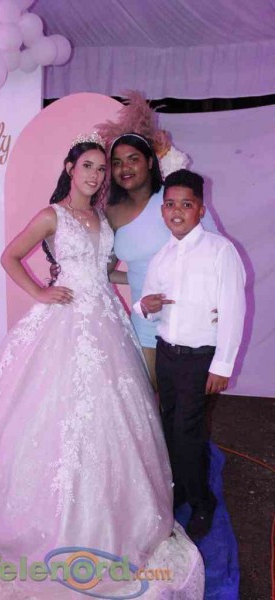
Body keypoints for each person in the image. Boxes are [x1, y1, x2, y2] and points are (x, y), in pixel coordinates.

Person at [0, 135, 204, 597]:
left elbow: (104, 271)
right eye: (88, 166)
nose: (96, 175)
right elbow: (9, 256)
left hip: (107, 320)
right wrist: (39, 292)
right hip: (64, 320)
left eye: (101, 168)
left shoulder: (101, 216)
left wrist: (149, 277)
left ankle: (113, 512)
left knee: (112, 416)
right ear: (70, 168)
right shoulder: (51, 215)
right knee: (53, 413)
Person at [135, 169, 246, 540]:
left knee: (188, 432)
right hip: (167, 354)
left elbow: (233, 309)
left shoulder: (220, 251)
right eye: (170, 204)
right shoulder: (162, 256)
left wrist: (222, 364)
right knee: (169, 425)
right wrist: (144, 306)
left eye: (186, 204)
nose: (177, 211)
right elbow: (147, 301)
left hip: (201, 358)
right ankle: (180, 487)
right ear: (162, 211)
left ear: (201, 209)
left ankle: (202, 502)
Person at [105, 132, 219, 390]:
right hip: (145, 317)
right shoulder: (111, 211)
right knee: (149, 398)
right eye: (117, 162)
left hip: (188, 317)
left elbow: (217, 253)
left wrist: (220, 305)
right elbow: (106, 270)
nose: (125, 168)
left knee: (186, 401)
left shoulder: (173, 200)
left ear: (150, 162)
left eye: (133, 159)